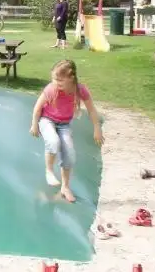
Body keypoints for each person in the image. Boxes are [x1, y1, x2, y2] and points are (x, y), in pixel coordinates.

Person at [30, 60, 103, 202]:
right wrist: (34, 124)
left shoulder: (80, 90)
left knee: (69, 154)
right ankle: (49, 171)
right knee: (53, 141)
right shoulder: (51, 89)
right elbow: (38, 107)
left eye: (59, 80)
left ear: (71, 78)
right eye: (54, 79)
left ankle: (65, 187)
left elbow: (92, 110)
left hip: (64, 124)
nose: (55, 83)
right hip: (47, 120)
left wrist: (97, 128)